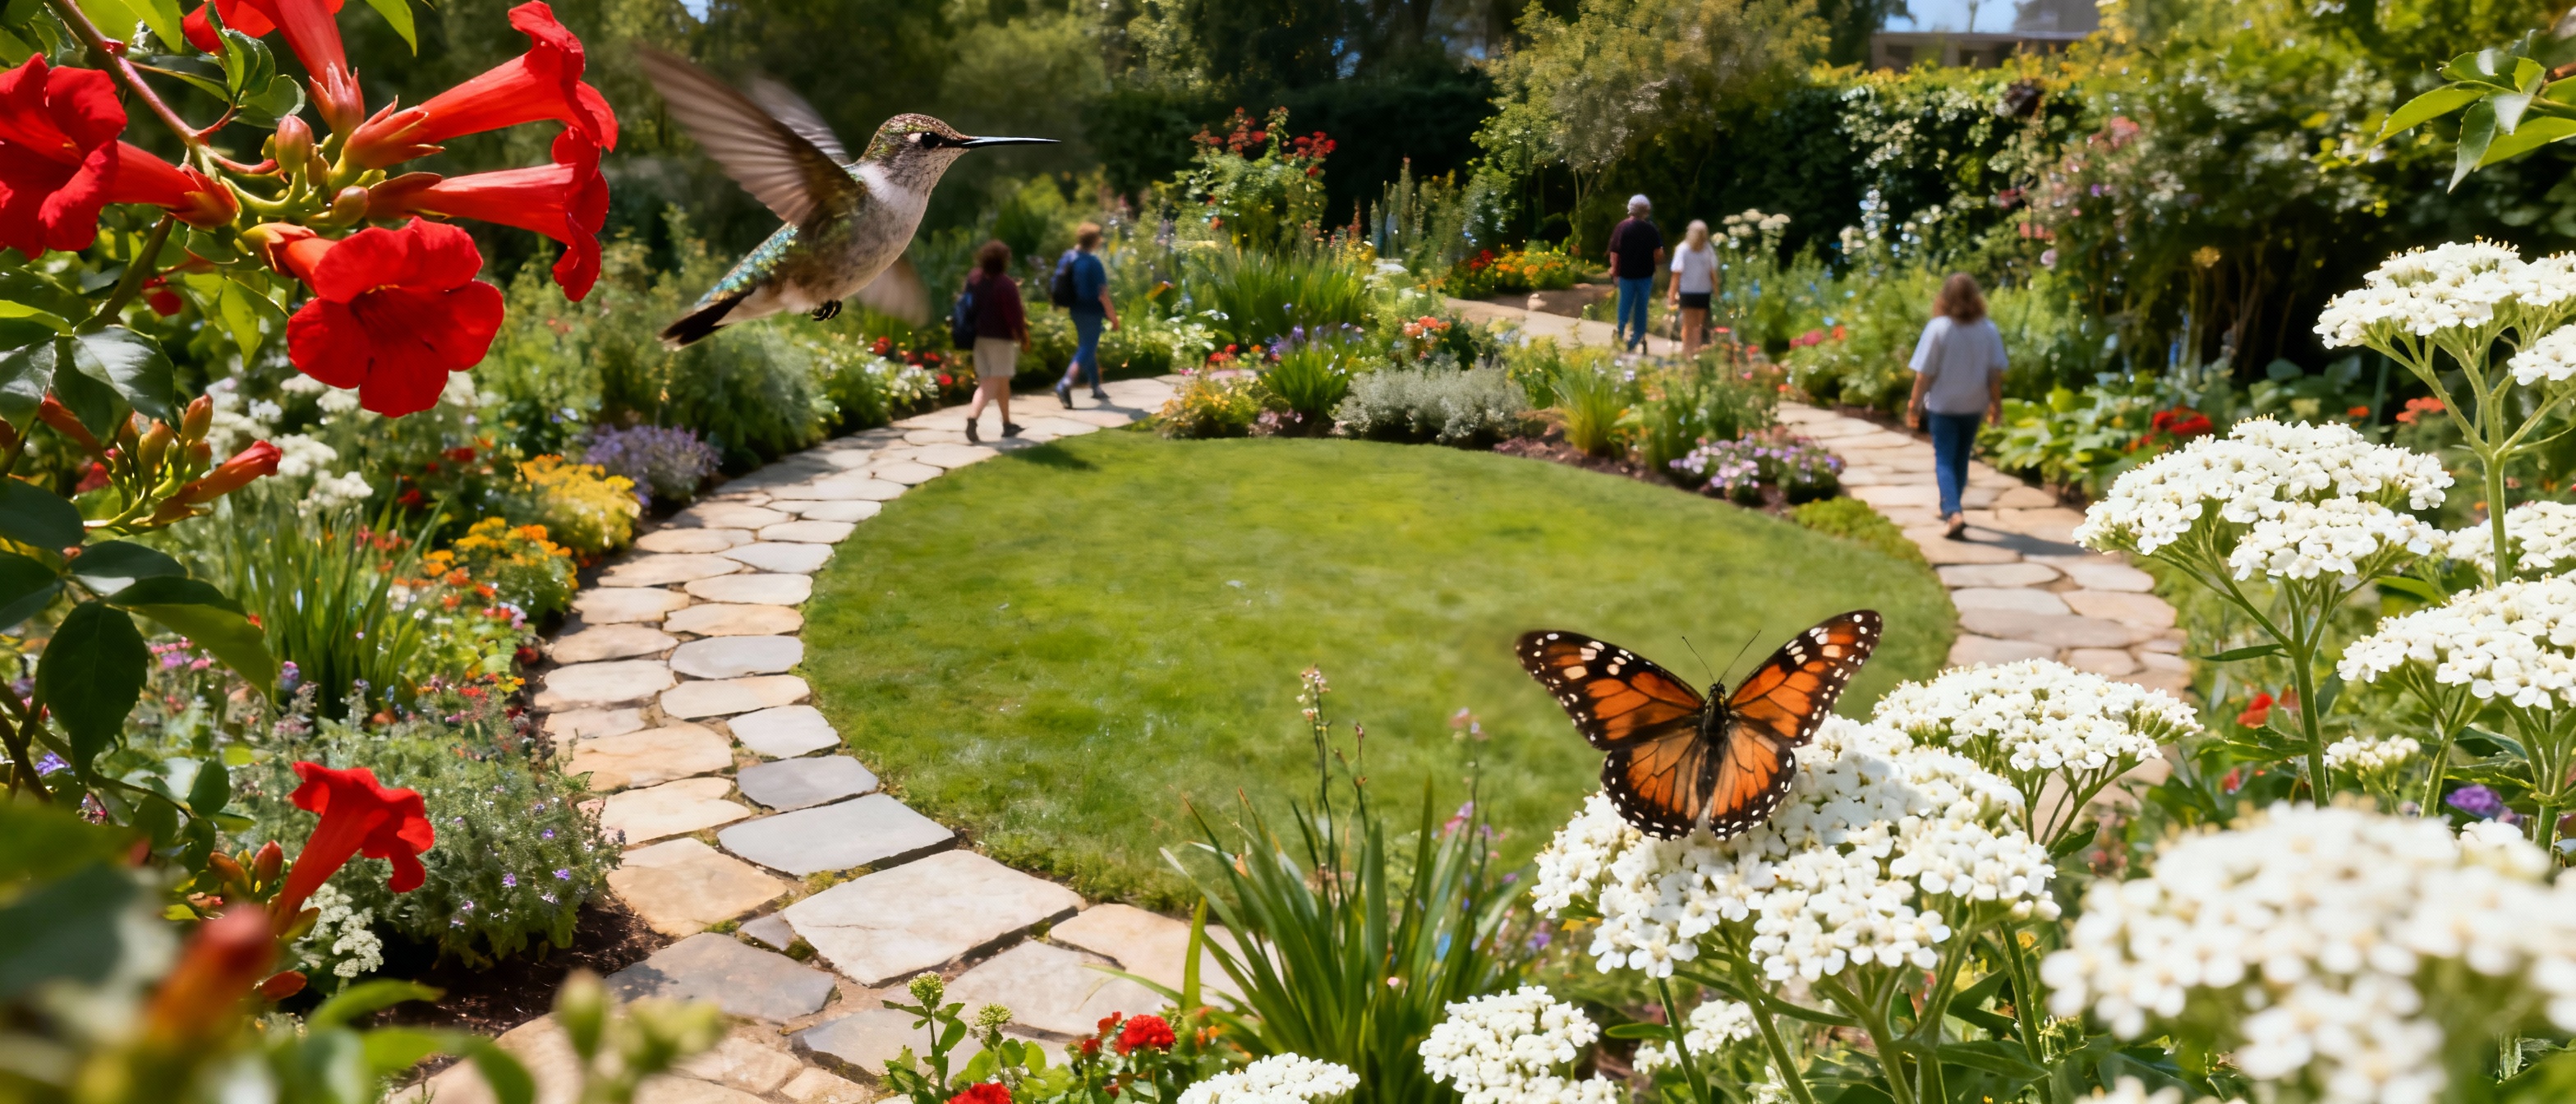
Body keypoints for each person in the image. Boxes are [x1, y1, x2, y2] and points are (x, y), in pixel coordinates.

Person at [1906, 273, 2008, 540]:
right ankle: (1951, 507)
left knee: (1944, 459)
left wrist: (1914, 405)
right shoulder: (1987, 329)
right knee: (1961, 458)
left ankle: (1953, 512)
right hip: (1973, 405)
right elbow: (1994, 374)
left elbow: (1923, 374)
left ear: (1944, 297)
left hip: (1943, 405)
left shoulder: (1939, 328)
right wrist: (1996, 405)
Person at [964, 240, 1029, 444]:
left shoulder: (975, 278)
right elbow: (1015, 316)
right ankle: (972, 419)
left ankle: (1007, 424)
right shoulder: (1005, 285)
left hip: (979, 339)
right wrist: (1023, 336)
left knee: (1000, 381)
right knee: (990, 384)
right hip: (1000, 341)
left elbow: (967, 305)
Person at [1054, 222, 1121, 407]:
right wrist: (1113, 317)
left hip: (1075, 310)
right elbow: (1103, 295)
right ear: (1095, 241)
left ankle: (1096, 387)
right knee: (1087, 348)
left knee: (1088, 346)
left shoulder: (1068, 257)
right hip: (1092, 311)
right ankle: (1065, 383)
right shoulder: (1093, 262)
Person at [1603, 196, 1664, 352]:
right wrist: (1653, 263)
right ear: (1646, 211)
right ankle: (1637, 336)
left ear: (1630, 209)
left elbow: (1615, 254)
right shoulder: (1651, 230)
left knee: (1625, 303)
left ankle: (1621, 331)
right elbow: (1658, 253)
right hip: (1645, 275)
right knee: (1641, 306)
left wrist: (1614, 272)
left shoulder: (1622, 227)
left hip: (1626, 274)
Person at [1667, 219, 1718, 356]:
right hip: (1703, 292)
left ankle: (1687, 353)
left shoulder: (1683, 249)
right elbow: (1713, 273)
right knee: (1698, 327)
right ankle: (1694, 353)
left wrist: (1671, 294)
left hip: (1688, 292)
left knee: (1688, 326)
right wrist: (1717, 292)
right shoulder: (1708, 249)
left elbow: (1676, 274)